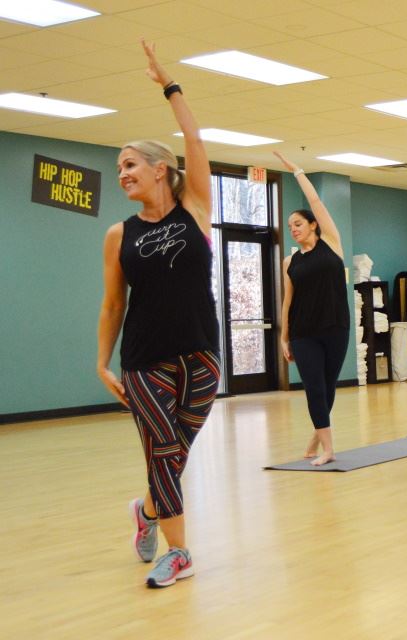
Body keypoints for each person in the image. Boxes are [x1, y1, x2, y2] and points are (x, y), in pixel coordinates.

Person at [97, 41, 219, 588]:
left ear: (159, 169)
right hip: (144, 361)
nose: (121, 174)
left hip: (202, 356)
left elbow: (194, 138)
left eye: (129, 164)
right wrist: (103, 364)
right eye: (118, 167)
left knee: (175, 453)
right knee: (164, 450)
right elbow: (113, 304)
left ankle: (146, 511)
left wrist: (170, 85)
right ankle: (180, 552)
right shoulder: (118, 235)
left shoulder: (196, 207)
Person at [274, 151, 350, 466]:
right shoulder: (290, 262)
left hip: (335, 328)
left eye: (298, 224)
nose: (293, 229)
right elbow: (288, 302)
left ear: (313, 225)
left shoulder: (331, 243)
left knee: (328, 386)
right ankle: (328, 449)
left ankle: (318, 435)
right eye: (290, 226)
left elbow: (316, 201)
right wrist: (284, 337)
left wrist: (298, 172)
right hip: (304, 333)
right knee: (314, 387)